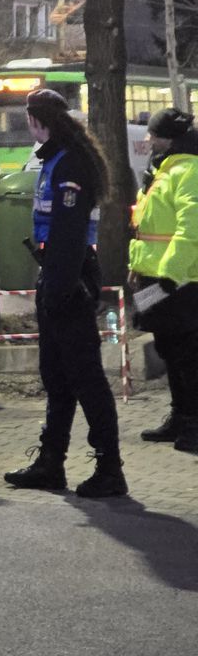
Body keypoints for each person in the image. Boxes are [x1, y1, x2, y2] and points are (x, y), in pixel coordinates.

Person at [3, 88, 127, 497]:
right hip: (58, 275)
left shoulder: (69, 163)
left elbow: (70, 233)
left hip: (69, 279)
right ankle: (50, 462)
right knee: (57, 378)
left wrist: (57, 290)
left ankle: (109, 468)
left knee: (86, 378)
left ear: (36, 120)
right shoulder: (55, 158)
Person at [130, 107, 198, 453]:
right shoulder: (164, 169)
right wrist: (138, 267)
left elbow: (190, 230)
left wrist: (171, 275)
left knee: (187, 356)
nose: (149, 139)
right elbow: (147, 226)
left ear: (169, 138)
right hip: (156, 279)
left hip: (181, 282)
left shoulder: (188, 171)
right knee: (169, 350)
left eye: (154, 135)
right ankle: (180, 416)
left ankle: (193, 424)